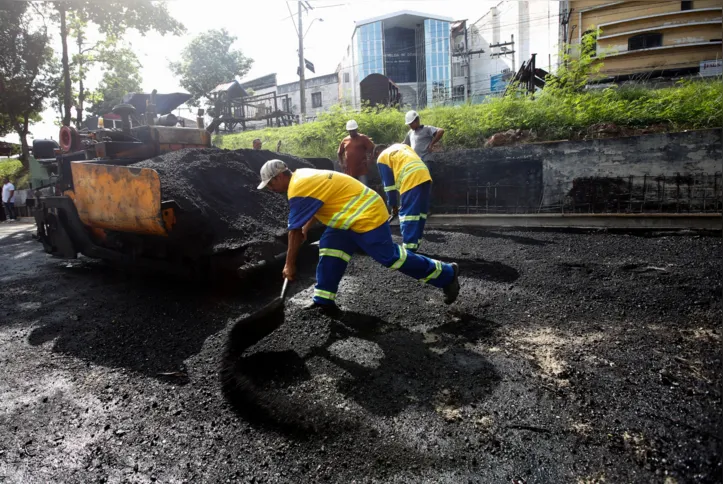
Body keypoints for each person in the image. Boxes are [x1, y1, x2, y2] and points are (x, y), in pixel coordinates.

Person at [257, 160, 460, 316]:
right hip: (347, 220)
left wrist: (289, 265)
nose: (270, 189)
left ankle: (447, 274)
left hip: (366, 215)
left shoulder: (298, 187)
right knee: (329, 248)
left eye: (269, 185)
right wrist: (307, 229)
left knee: (390, 257)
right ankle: (323, 300)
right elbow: (317, 205)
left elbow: (293, 231)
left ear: (278, 177)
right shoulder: (301, 175)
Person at [377, 143, 432, 252]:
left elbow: (389, 186)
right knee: (420, 214)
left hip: (411, 178)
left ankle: (408, 251)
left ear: (377, 153)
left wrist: (393, 206)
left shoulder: (382, 157)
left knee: (409, 215)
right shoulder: (402, 147)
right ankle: (414, 245)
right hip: (425, 175)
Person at [337, 119, 375, 186]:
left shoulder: (363, 138)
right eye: (350, 131)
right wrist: (341, 163)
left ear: (356, 129)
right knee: (352, 188)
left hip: (362, 170)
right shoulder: (345, 140)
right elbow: (339, 153)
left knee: (364, 187)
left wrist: (370, 160)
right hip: (349, 170)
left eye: (353, 130)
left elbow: (372, 148)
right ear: (348, 131)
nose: (352, 132)